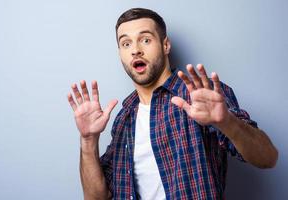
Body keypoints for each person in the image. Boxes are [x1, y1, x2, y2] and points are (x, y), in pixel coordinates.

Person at [67, 8, 278, 200]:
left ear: (165, 45)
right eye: (126, 43)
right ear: (120, 53)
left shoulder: (201, 96)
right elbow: (96, 197)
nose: (135, 50)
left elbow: (268, 158)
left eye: (146, 40)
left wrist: (227, 122)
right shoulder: (124, 118)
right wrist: (88, 139)